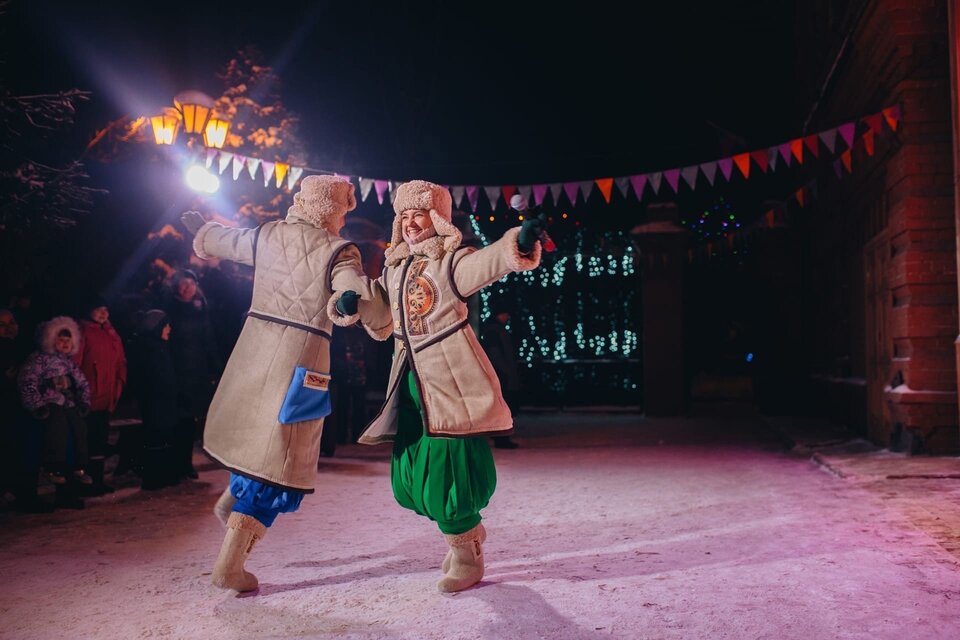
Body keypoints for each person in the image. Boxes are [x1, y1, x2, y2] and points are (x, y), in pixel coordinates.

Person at [332, 179, 544, 592]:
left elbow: (487, 264)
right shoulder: (395, 268)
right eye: (405, 215)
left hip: (448, 384)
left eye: (420, 214)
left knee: (447, 472)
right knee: (412, 478)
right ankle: (466, 535)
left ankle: (466, 553)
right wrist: (350, 303)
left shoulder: (451, 261)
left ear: (438, 219)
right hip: (409, 385)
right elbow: (381, 315)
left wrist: (518, 242)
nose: (411, 223)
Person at [181, 174, 390, 593]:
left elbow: (229, 241)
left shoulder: (269, 233)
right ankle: (230, 565)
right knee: (280, 455)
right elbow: (354, 292)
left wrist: (203, 231)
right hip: (301, 356)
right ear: (336, 210)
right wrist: (363, 306)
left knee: (255, 435)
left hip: (255, 348)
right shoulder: (338, 250)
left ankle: (231, 506)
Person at [17, 316, 92, 509]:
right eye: (60, 340)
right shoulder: (39, 360)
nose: (65, 344)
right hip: (51, 404)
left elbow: (82, 382)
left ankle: (80, 467)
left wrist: (83, 401)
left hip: (68, 404)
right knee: (58, 432)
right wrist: (37, 405)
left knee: (80, 429)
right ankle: (54, 467)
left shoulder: (68, 362)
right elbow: (28, 382)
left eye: (68, 340)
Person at [163, 269, 219, 481]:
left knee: (190, 422)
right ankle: (174, 465)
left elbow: (208, 340)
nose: (188, 288)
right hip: (177, 372)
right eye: (183, 284)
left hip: (197, 372)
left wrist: (215, 366)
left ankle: (186, 464)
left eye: (191, 284)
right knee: (177, 420)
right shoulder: (170, 308)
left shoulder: (201, 308)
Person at [74, 298, 127, 495]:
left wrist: (118, 385)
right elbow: (76, 363)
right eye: (98, 309)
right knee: (87, 440)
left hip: (106, 395)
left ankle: (97, 479)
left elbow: (120, 361)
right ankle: (86, 481)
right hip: (89, 396)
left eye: (105, 309)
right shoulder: (82, 332)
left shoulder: (111, 332)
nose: (103, 313)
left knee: (99, 439)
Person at [127, 309, 180, 491]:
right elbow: (148, 379)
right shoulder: (147, 349)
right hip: (154, 402)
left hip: (164, 401)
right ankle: (154, 477)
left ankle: (165, 474)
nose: (169, 329)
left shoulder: (160, 347)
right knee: (155, 437)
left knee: (164, 436)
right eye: (166, 325)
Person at [480, 304, 521, 449]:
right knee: (503, 405)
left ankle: (502, 437)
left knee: (503, 406)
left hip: (501, 373)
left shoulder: (494, 329)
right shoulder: (495, 331)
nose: (507, 317)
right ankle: (501, 438)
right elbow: (495, 354)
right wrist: (506, 371)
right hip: (501, 374)